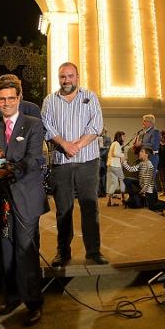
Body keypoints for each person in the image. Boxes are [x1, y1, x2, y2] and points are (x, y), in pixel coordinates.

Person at [0, 78, 48, 327]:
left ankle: (34, 302)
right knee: (7, 251)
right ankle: (11, 297)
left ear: (19, 99)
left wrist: (8, 169)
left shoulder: (33, 124)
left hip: (26, 199)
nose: (7, 103)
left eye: (11, 98)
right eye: (2, 99)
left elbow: (34, 160)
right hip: (1, 200)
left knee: (26, 251)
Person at [41, 62, 108, 266]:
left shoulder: (90, 97)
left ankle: (94, 252)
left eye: (70, 76)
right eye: (62, 77)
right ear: (58, 78)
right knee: (63, 209)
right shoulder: (49, 101)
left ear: (77, 77)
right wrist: (64, 144)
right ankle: (63, 252)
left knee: (90, 206)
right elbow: (46, 125)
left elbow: (96, 124)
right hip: (62, 162)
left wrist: (77, 145)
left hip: (88, 160)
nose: (66, 80)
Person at [106, 131, 125, 206]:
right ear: (120, 137)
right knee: (122, 180)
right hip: (115, 166)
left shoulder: (113, 144)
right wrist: (122, 155)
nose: (124, 138)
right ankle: (123, 198)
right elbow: (115, 154)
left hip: (110, 166)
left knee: (115, 183)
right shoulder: (116, 144)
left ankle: (109, 201)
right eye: (123, 136)